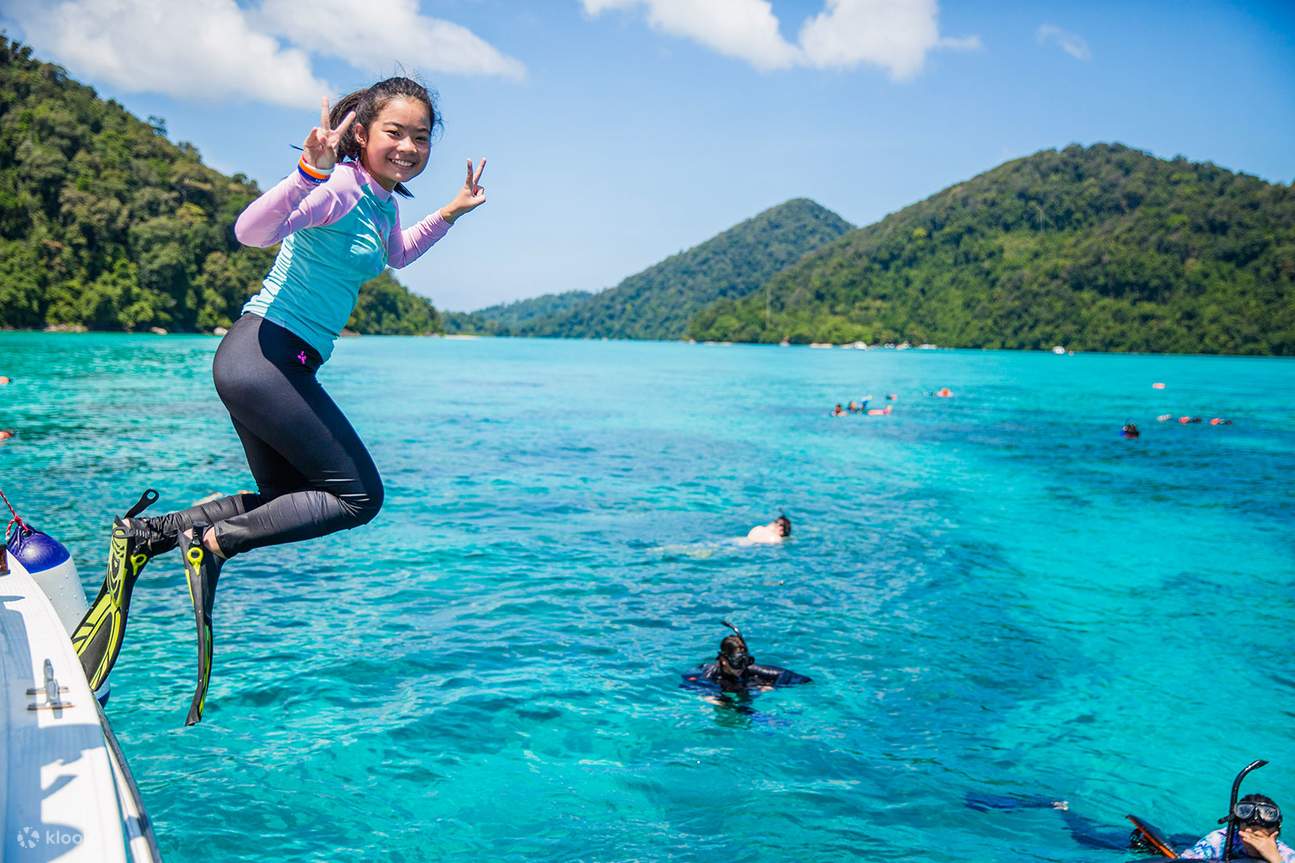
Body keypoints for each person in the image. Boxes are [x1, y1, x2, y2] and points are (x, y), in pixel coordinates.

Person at [71, 77, 488, 726]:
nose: (408, 146)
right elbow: (250, 230)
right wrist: (306, 172)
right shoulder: (341, 186)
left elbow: (398, 255)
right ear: (361, 133)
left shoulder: (378, 203)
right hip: (264, 359)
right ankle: (211, 546)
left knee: (289, 499)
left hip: (267, 362)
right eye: (394, 132)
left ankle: (147, 539)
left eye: (420, 136)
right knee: (358, 496)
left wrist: (452, 211)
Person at [683, 622, 811, 693]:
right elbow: (687, 683)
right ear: (723, 661)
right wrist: (705, 694)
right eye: (738, 662)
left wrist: (773, 686)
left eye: (746, 661)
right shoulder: (709, 673)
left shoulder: (747, 670)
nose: (742, 667)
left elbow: (799, 678)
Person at [1180, 794, 1295, 862]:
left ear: (1276, 832)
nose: (1254, 842)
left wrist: (1276, 859)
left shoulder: (1285, 855)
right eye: (1248, 830)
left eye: (1259, 836)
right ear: (1238, 828)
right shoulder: (1220, 840)